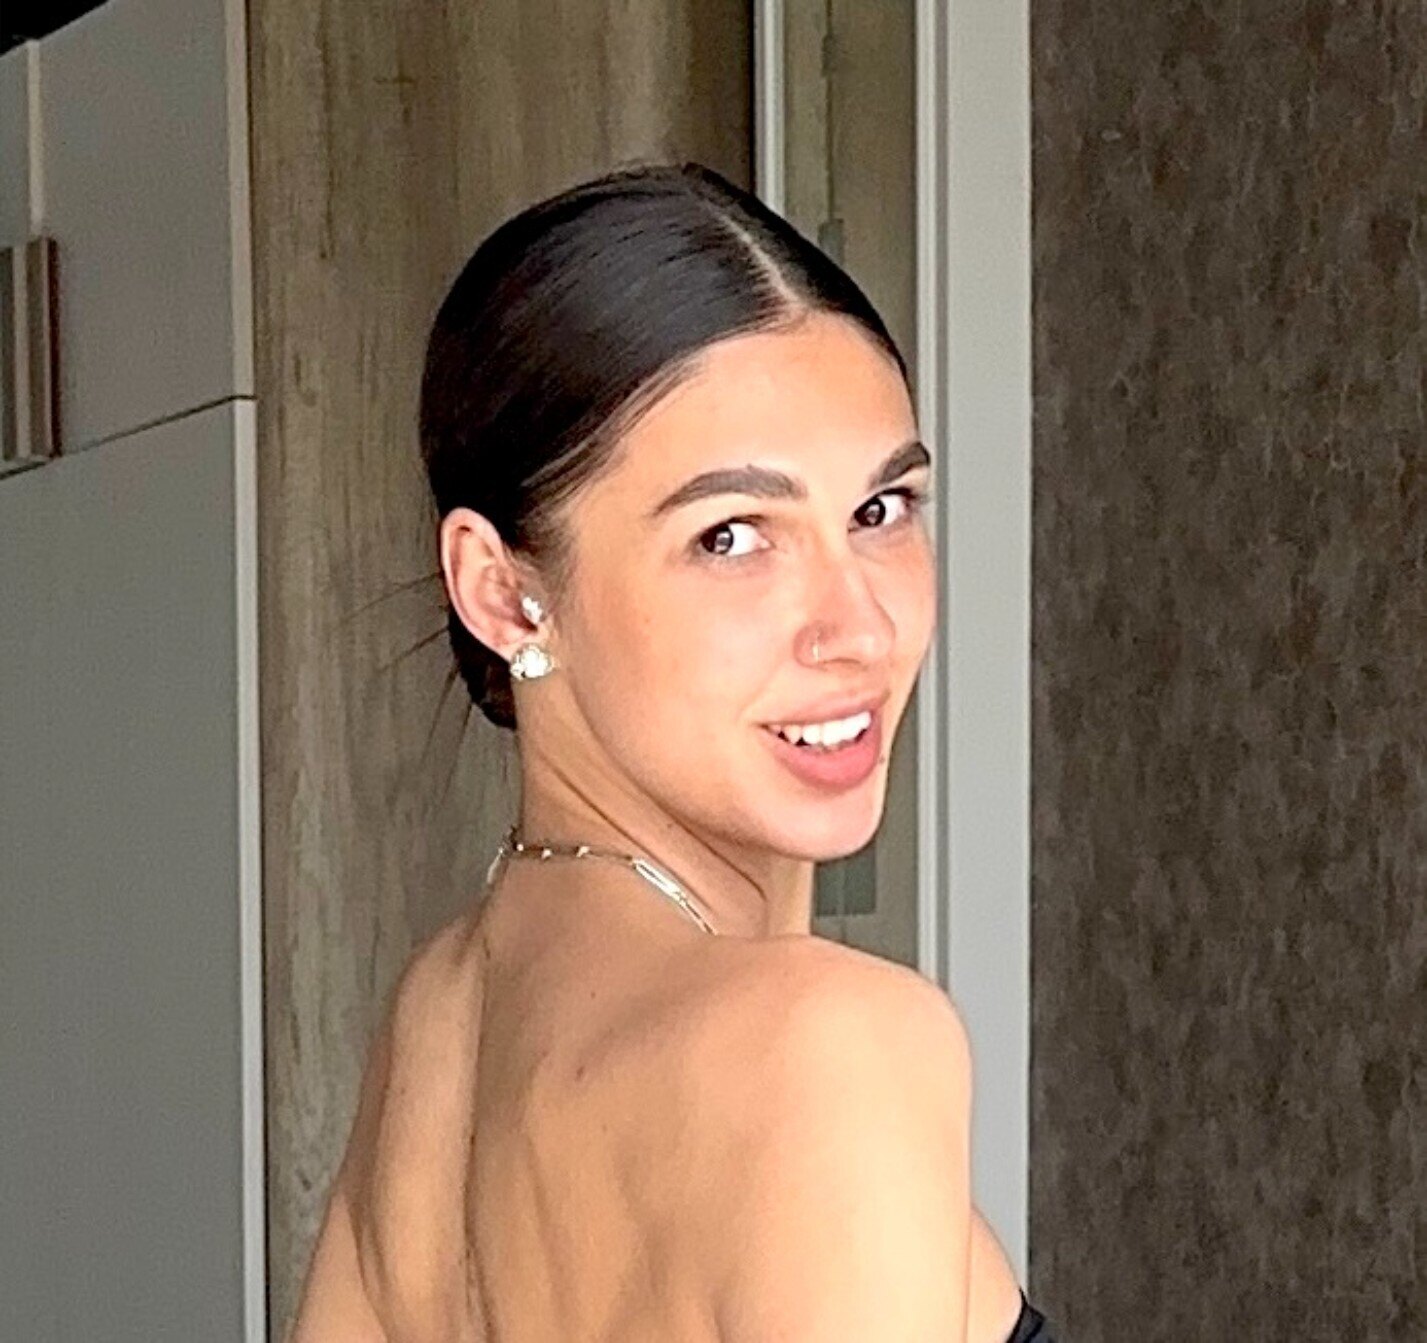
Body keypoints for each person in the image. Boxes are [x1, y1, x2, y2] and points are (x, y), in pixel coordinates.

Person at [290, 162, 1056, 1342]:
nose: (857, 627)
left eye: (879, 511)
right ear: (500, 591)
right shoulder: (826, 1051)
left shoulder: (436, 1032)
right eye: (732, 536)